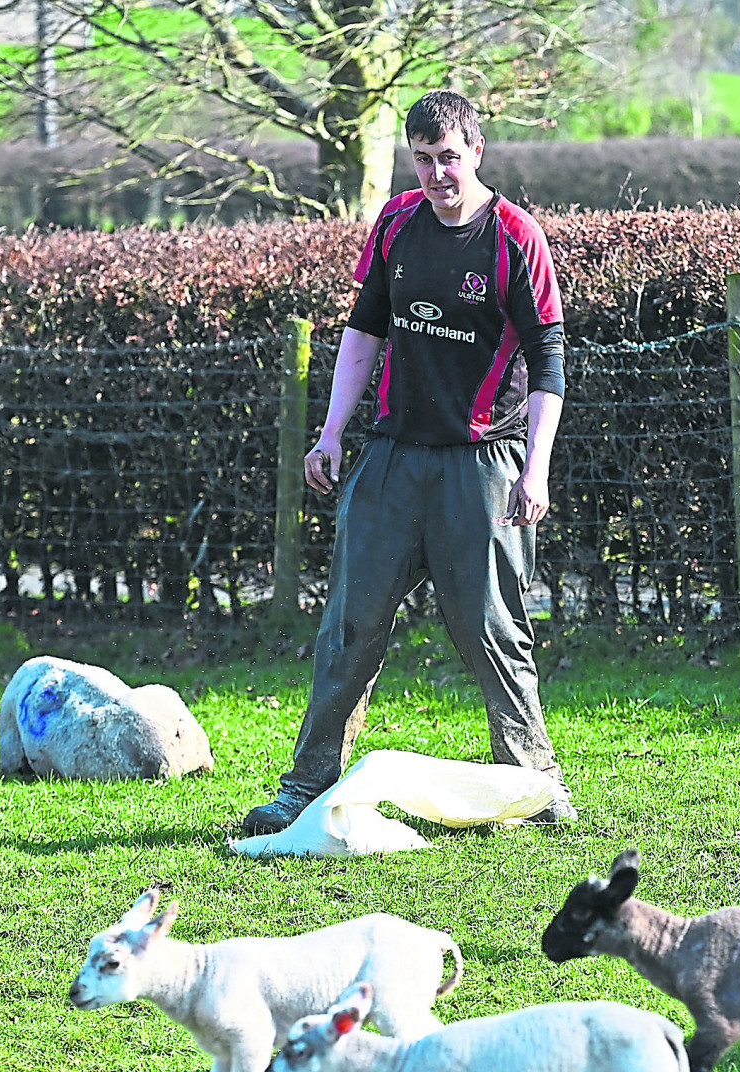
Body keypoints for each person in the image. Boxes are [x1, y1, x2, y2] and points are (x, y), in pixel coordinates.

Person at [243, 90, 575, 835]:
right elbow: (364, 333)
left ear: (477, 150)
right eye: (422, 159)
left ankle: (535, 786)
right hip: (391, 457)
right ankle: (306, 785)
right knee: (350, 626)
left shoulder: (517, 237)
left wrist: (537, 469)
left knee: (494, 629)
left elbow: (550, 363)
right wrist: (330, 433)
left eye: (448, 158)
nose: (436, 174)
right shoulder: (394, 223)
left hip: (483, 461)